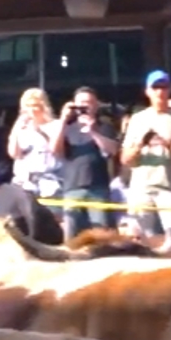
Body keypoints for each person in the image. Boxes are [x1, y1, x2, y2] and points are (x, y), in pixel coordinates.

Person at [119, 69, 171, 239]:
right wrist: (140, 144)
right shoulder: (138, 119)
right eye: (155, 87)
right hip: (141, 186)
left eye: (164, 87)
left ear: (170, 89)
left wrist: (168, 143)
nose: (160, 91)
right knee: (139, 237)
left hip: (170, 186)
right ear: (147, 91)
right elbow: (125, 158)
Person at [53, 86, 120, 239]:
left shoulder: (105, 126)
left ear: (96, 106)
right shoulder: (68, 128)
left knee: (101, 234)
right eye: (81, 103)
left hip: (98, 187)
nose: (85, 107)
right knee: (72, 236)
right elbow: (56, 151)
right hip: (72, 187)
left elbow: (113, 150)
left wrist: (93, 131)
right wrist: (63, 120)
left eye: (89, 103)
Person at [8, 87, 61, 198]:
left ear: (43, 106)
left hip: (49, 182)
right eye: (27, 106)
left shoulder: (56, 125)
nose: (31, 110)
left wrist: (39, 131)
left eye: (35, 105)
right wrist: (15, 131)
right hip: (24, 182)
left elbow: (56, 149)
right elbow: (14, 154)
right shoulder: (21, 127)